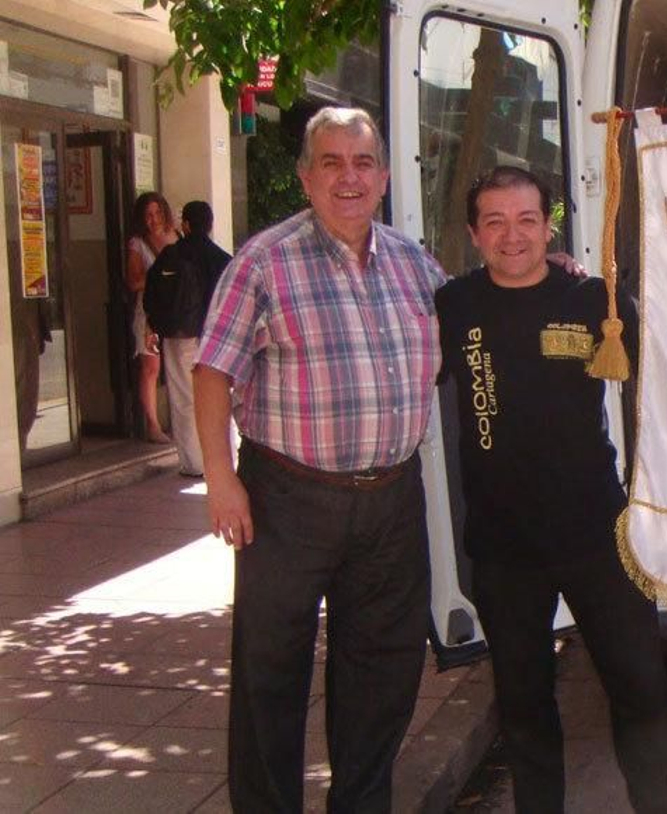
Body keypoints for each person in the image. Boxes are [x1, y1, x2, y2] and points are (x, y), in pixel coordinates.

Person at [194, 107, 445, 812]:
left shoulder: (413, 262)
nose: (348, 177)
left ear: (385, 177)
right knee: (270, 675)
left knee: (383, 674)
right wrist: (220, 480)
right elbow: (211, 371)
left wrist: (548, 273)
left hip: (392, 500)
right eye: (331, 162)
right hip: (287, 500)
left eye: (363, 163)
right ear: (305, 177)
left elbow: (473, 326)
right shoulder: (263, 262)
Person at [434, 166, 667, 814]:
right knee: (523, 708)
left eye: (526, 219)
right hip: (503, 548)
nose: (511, 236)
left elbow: (664, 385)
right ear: (473, 233)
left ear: (549, 226)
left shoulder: (594, 302)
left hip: (598, 536)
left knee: (642, 691)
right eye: (494, 221)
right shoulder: (452, 307)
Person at [143, 200, 231, 477]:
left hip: (180, 338)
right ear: (211, 224)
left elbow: (152, 294)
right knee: (218, 399)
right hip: (216, 340)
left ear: (186, 224)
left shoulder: (171, 255)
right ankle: (222, 462)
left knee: (183, 399)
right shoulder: (223, 260)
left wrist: (154, 327)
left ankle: (193, 463)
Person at [126, 191, 178, 443]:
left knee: (180, 365)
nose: (154, 219)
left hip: (176, 311)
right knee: (151, 367)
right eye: (148, 215)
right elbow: (133, 281)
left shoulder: (177, 237)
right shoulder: (138, 244)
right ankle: (153, 424)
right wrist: (160, 273)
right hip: (148, 313)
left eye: (157, 213)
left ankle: (181, 421)